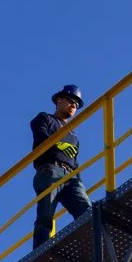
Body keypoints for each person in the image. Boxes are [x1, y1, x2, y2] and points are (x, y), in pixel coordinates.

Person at [30, 84, 92, 250]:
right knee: (46, 215)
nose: (74, 106)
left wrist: (80, 182)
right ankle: (40, 251)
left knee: (86, 210)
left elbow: (75, 163)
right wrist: (58, 145)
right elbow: (41, 135)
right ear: (59, 100)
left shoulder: (73, 136)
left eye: (77, 104)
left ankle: (90, 245)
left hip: (70, 176)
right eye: (71, 100)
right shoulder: (45, 119)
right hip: (50, 170)